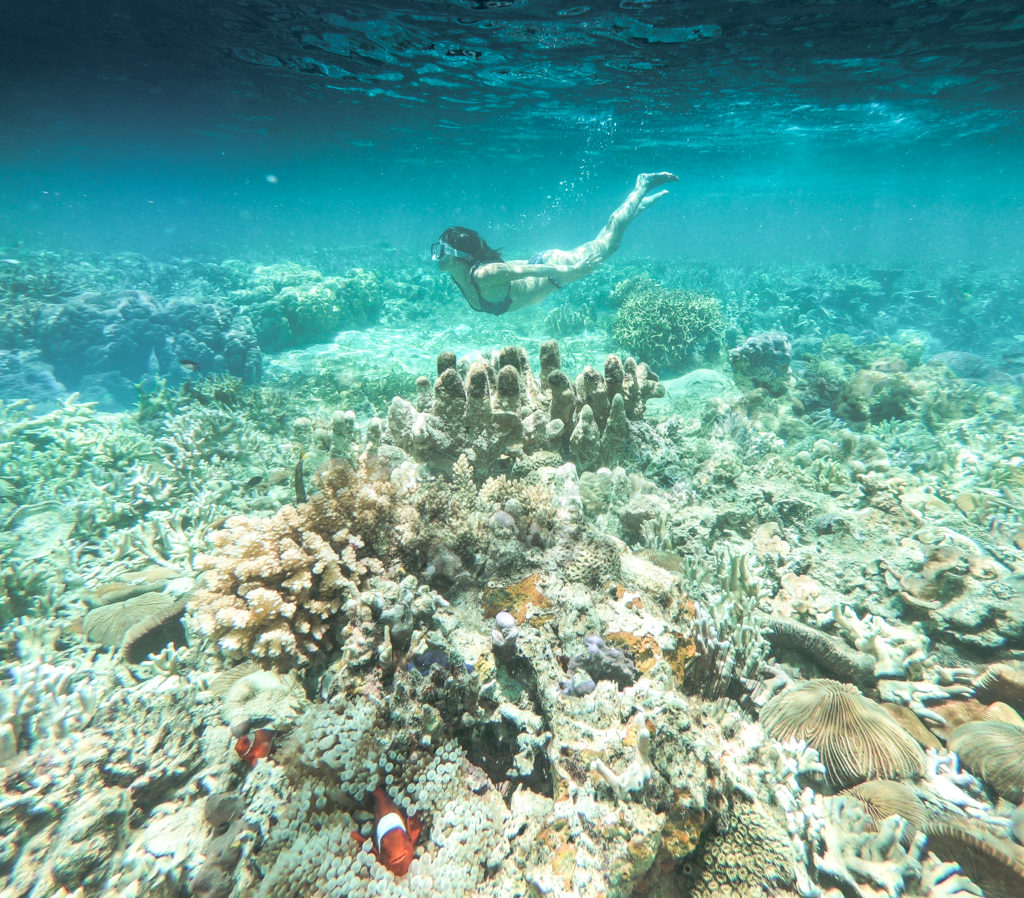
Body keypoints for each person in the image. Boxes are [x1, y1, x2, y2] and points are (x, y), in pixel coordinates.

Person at [431, 171, 678, 316]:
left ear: (460, 255)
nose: (436, 256)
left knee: (607, 246)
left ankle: (641, 185)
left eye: (441, 251)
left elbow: (531, 270)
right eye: (437, 249)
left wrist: (572, 271)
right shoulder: (459, 272)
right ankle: (635, 207)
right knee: (606, 242)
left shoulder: (485, 274)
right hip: (549, 275)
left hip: (551, 272)